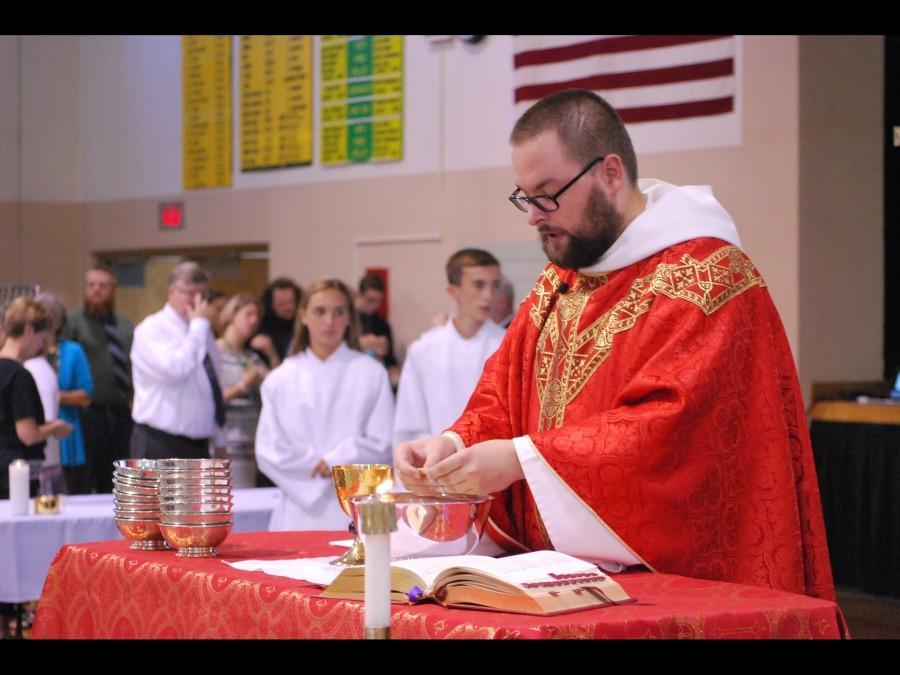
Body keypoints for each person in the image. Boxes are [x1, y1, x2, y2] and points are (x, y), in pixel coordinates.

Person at [395, 89, 835, 600]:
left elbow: (672, 434)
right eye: (524, 196)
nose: (533, 216)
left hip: (676, 589)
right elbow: (504, 394)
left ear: (609, 173)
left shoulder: (706, 279)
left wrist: (522, 460)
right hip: (548, 584)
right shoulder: (559, 281)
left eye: (547, 193)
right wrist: (452, 445)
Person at [255, 279, 394, 531]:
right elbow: (268, 450)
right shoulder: (280, 379)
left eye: (339, 312)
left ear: (349, 318)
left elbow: (383, 442)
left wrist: (336, 461)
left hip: (358, 504)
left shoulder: (371, 373)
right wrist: (313, 466)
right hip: (298, 508)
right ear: (303, 316)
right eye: (320, 311)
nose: (329, 321)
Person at [393, 249, 505, 447]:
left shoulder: (507, 345)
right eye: (479, 285)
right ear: (453, 291)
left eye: (495, 285)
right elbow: (409, 424)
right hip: (434, 465)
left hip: (490, 466)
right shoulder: (424, 350)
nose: (489, 295)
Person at [130, 261, 224, 460]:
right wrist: (199, 325)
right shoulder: (152, 329)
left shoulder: (203, 332)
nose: (197, 302)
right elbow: (175, 370)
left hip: (199, 444)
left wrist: (219, 438)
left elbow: (213, 383)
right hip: (161, 443)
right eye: (190, 294)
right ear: (171, 292)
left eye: (203, 295)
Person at [63, 264, 134, 492]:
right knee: (90, 475)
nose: (96, 290)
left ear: (112, 289)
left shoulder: (124, 325)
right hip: (89, 413)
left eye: (102, 286)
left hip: (122, 411)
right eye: (91, 285)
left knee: (119, 478)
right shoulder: (73, 322)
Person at [34, 293, 94, 495]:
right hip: (38, 432)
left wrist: (52, 395)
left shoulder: (73, 351)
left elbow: (85, 395)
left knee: (72, 491)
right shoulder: (30, 353)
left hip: (67, 433)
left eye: (50, 316)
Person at [216, 293, 269, 488]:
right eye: (248, 314)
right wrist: (243, 386)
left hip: (251, 443)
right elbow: (209, 401)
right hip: (225, 444)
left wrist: (270, 353)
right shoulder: (215, 353)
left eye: (257, 316)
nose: (254, 321)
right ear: (232, 315)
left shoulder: (252, 357)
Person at [355, 273, 400, 385]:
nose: (375, 306)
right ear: (359, 296)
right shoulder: (346, 320)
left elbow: (390, 359)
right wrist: (360, 343)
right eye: (370, 300)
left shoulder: (382, 324)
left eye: (379, 301)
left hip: (374, 377)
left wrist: (394, 371)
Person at [253, 277, 301, 367]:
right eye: (281, 304)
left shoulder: (303, 324)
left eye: (291, 302)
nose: (288, 307)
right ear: (271, 305)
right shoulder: (260, 327)